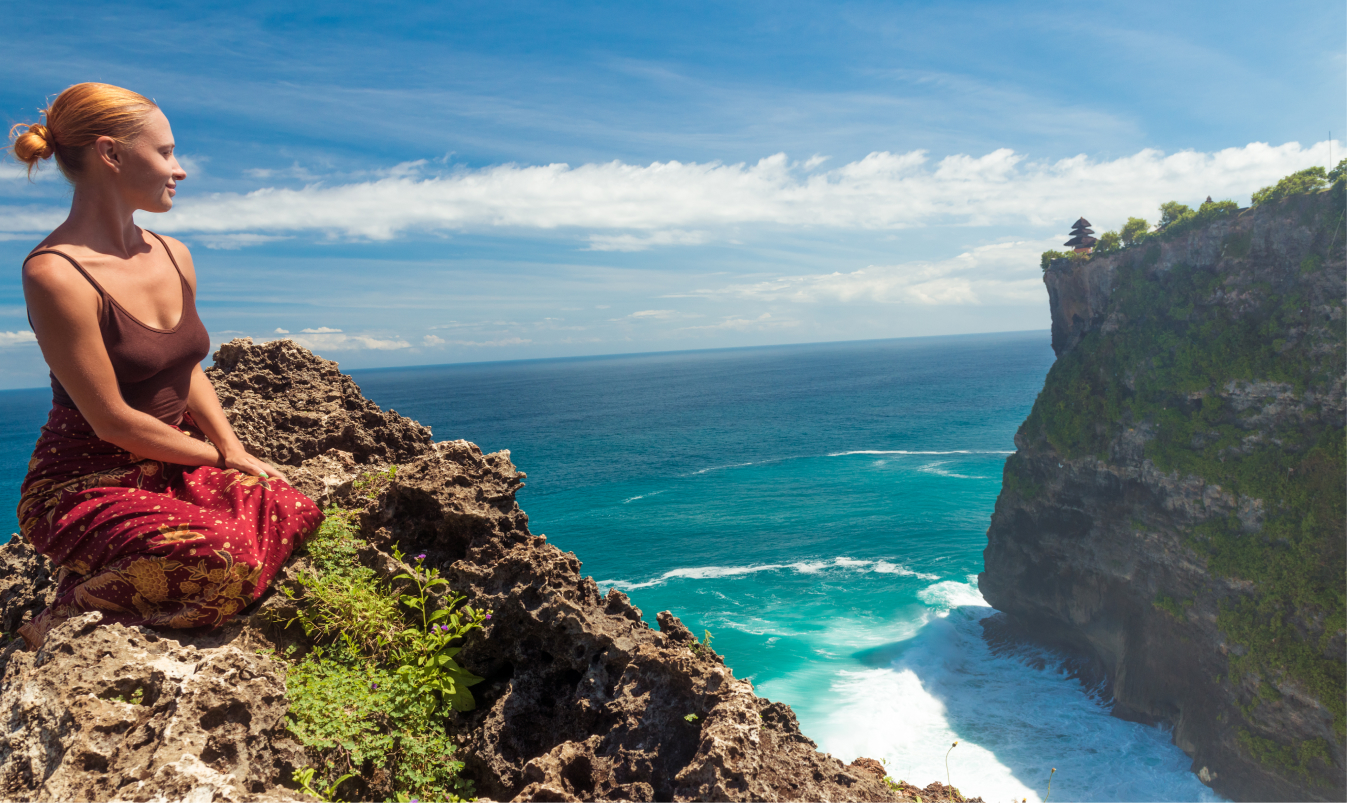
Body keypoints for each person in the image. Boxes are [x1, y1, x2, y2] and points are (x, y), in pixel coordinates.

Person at [7, 83, 323, 650]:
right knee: (225, 560)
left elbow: (185, 367)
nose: (180, 170)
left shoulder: (175, 253)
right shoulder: (55, 274)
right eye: (166, 153)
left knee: (294, 508)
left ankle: (128, 570)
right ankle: (68, 612)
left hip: (169, 458)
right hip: (83, 480)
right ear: (112, 154)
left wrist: (236, 449)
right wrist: (219, 457)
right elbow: (112, 423)